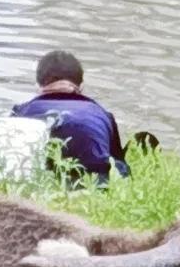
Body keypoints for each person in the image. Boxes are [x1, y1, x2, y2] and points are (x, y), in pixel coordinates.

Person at [10, 50, 130, 183]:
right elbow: (120, 169)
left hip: (34, 187)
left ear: (38, 86)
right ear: (82, 87)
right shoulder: (102, 115)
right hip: (92, 188)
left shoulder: (20, 113)